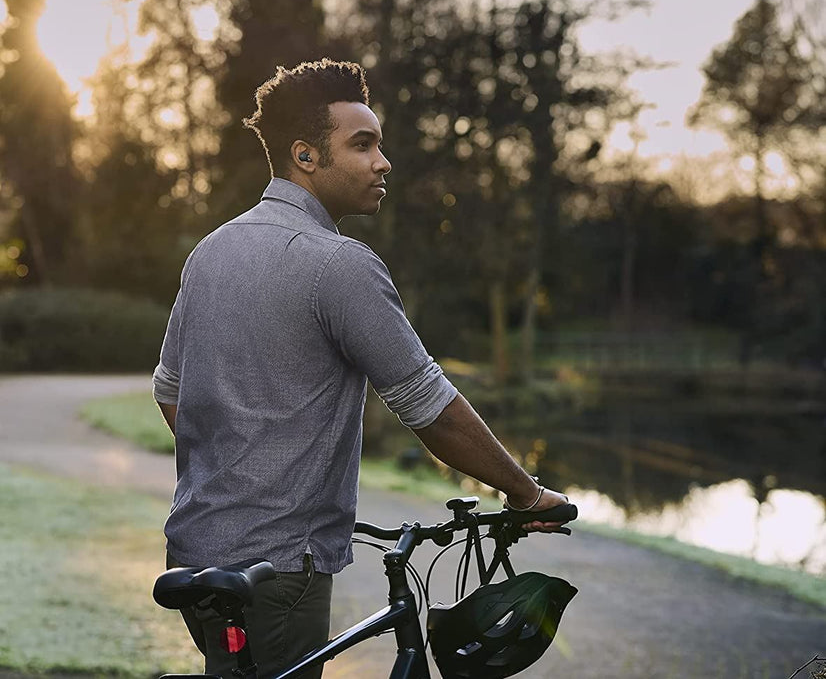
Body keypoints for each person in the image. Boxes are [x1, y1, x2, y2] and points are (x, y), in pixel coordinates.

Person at [152, 58, 568, 678]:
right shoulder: (339, 264)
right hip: (279, 568)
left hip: (200, 551)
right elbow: (430, 408)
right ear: (306, 156)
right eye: (363, 144)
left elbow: (171, 395)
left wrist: (245, 473)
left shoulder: (212, 251)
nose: (384, 162)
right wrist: (525, 493)